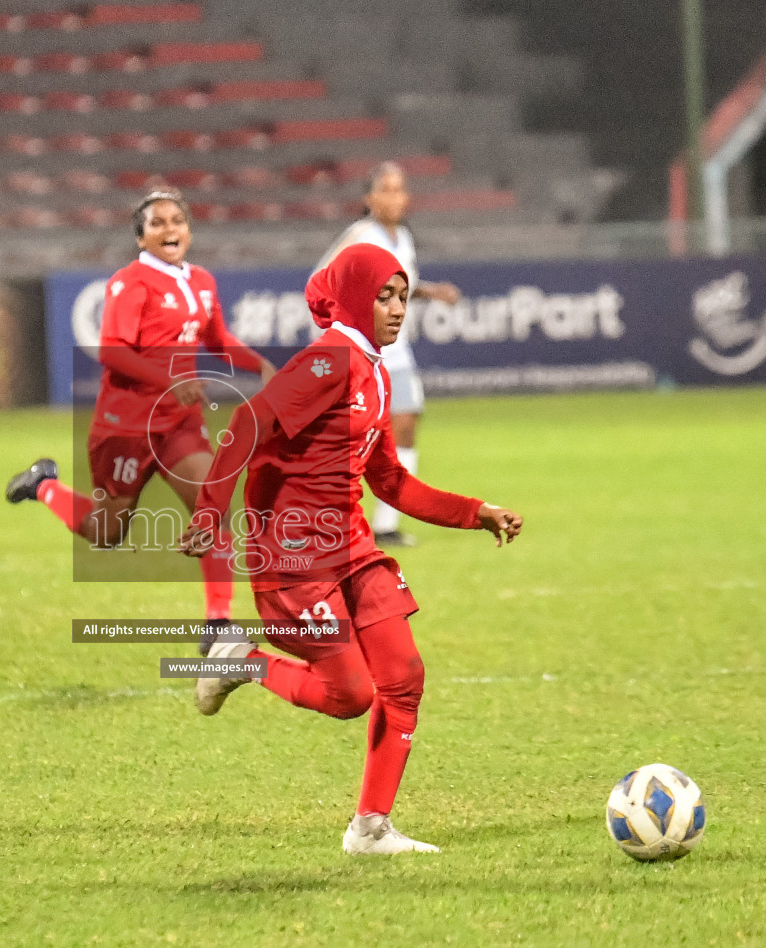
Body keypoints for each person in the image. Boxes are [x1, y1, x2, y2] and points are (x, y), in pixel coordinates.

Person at [179, 243, 522, 855]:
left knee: (403, 674)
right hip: (291, 554)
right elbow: (246, 425)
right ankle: (241, 662)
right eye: (384, 296)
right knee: (350, 695)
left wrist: (476, 512)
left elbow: (390, 482)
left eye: (403, 298)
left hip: (351, 546)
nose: (396, 309)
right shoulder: (330, 360)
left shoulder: (376, 373)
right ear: (357, 299)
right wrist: (210, 512)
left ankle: (370, 828)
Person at [6, 188, 276, 652]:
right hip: (125, 427)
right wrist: (172, 377)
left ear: (189, 229)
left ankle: (217, 626)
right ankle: (43, 486)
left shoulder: (202, 282)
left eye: (177, 220)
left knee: (212, 507)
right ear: (141, 237)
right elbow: (113, 350)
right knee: (107, 534)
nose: (170, 229)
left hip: (178, 423)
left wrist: (260, 366)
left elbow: (218, 338)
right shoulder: (131, 282)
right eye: (158, 223)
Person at [315, 162, 462, 548]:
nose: (393, 197)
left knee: (407, 422)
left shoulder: (403, 238)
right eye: (385, 189)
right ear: (369, 198)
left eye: (399, 189)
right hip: (360, 352)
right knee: (349, 434)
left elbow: (403, 284)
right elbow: (321, 282)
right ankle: (321, 517)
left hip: (396, 350)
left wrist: (430, 292)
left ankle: (386, 523)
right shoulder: (361, 236)